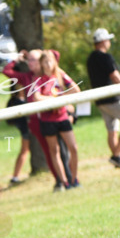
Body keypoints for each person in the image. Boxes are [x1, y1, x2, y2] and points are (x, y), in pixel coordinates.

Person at [2, 49, 65, 185]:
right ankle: (60, 180)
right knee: (49, 151)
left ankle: (67, 178)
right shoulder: (27, 77)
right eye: (28, 59)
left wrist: (44, 54)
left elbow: (56, 55)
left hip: (54, 114)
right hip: (36, 119)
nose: (30, 63)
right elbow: (7, 71)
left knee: (62, 149)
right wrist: (17, 59)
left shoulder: (49, 74)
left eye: (33, 59)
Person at [86, 27, 120, 167]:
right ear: (103, 41)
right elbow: (115, 76)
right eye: (108, 39)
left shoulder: (91, 58)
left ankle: (117, 158)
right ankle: (116, 155)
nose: (109, 42)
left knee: (112, 129)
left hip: (100, 101)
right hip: (114, 99)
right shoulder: (105, 57)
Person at [31, 50, 81, 190]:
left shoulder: (60, 75)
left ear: (55, 62)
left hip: (62, 116)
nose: (48, 64)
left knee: (73, 148)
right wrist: (54, 100)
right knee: (54, 150)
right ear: (41, 64)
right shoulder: (38, 79)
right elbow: (37, 97)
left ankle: (74, 178)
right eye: (45, 61)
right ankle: (64, 181)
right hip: (47, 119)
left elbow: (76, 90)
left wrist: (61, 98)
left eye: (50, 61)